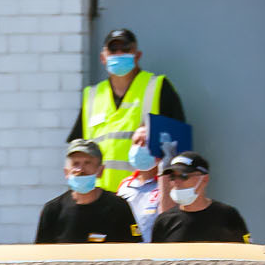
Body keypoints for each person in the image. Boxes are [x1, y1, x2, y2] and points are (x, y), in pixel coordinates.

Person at [68, 27, 186, 193]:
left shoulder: (156, 87)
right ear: (103, 57)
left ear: (137, 55)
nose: (119, 53)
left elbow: (178, 143)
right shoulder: (93, 95)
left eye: (125, 49)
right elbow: (77, 151)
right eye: (113, 50)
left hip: (145, 194)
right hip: (100, 196)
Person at [35, 141, 140, 244]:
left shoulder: (119, 207)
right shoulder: (52, 211)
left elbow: (134, 250)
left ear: (100, 170)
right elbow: (42, 256)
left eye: (87, 163)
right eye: (75, 164)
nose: (81, 169)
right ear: (66, 172)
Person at [147, 151, 252, 244]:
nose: (176, 182)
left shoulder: (228, 215)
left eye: (184, 176)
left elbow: (246, 257)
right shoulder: (164, 221)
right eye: (172, 177)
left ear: (204, 179)